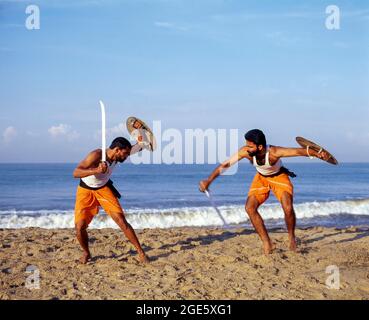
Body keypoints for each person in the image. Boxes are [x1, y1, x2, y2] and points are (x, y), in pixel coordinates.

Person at [199, 129, 330, 255]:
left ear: (260, 147)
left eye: (250, 146)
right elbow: (225, 165)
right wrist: (208, 181)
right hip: (261, 179)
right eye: (246, 145)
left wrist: (318, 154)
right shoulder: (245, 152)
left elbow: (299, 151)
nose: (246, 148)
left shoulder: (274, 152)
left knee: (288, 207)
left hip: (279, 177)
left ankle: (291, 237)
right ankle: (267, 243)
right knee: (249, 208)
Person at [73, 137, 149, 264]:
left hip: (103, 189)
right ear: (117, 150)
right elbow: (76, 172)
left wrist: (142, 141)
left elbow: (137, 147)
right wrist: (96, 170)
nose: (126, 157)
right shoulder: (96, 155)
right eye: (125, 154)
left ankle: (141, 252)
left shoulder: (118, 155)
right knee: (79, 227)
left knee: (121, 220)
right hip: (85, 190)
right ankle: (86, 252)